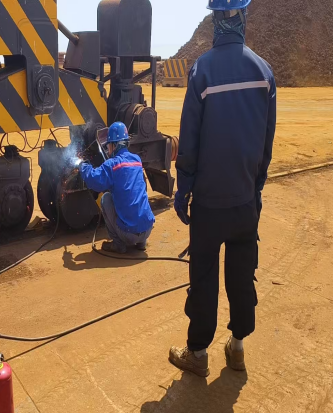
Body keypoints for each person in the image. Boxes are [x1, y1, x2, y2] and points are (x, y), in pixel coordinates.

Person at [168, 0, 277, 376]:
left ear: (214, 19)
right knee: (242, 273)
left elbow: (189, 140)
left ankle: (197, 354)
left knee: (203, 277)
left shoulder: (202, 71)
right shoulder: (264, 72)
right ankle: (238, 348)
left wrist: (184, 189)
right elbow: (266, 142)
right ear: (244, 16)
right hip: (245, 201)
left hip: (209, 204)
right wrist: (255, 187)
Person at [80, 122, 155, 254]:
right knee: (137, 192)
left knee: (106, 199)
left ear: (114, 145)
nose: (108, 148)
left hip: (128, 235)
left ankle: (118, 244)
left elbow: (94, 180)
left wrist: (83, 166)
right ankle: (141, 242)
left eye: (108, 145)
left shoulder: (112, 165)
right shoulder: (137, 160)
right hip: (148, 229)